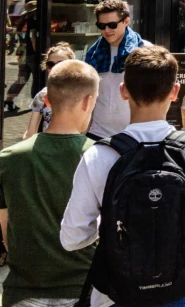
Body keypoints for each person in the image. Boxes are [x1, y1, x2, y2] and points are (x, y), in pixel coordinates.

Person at [61, 46, 185, 307]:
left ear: (123, 90)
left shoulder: (101, 155)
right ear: (174, 92)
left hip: (116, 292)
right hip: (181, 289)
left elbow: (72, 239)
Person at [1, 60, 99, 307]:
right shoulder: (101, 157)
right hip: (85, 286)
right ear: (89, 102)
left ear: (46, 100)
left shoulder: (8, 159)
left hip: (23, 288)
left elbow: (5, 227)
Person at [84, 0, 148, 139]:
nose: (107, 30)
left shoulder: (144, 50)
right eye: (101, 26)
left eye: (112, 25)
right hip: (97, 132)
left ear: (126, 21)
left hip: (133, 133)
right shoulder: (93, 53)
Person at [22, 42, 76, 138]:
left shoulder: (81, 92)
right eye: (50, 64)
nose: (55, 68)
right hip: (48, 148)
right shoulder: (43, 95)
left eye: (61, 63)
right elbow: (30, 133)